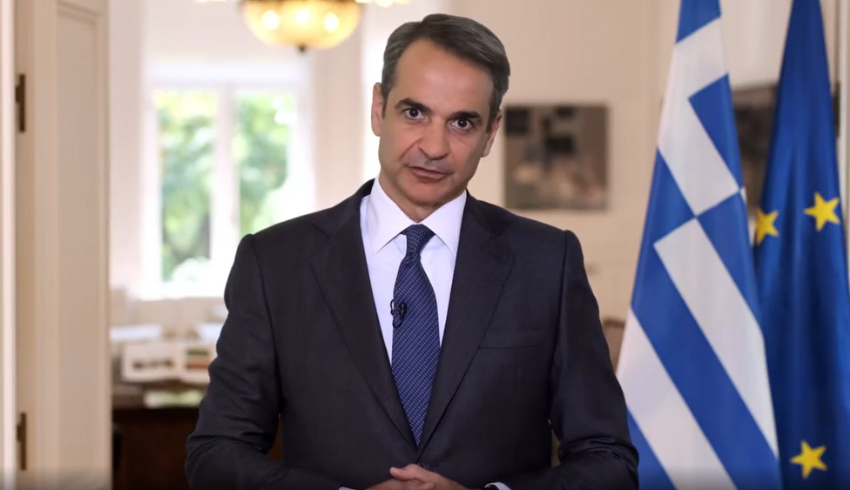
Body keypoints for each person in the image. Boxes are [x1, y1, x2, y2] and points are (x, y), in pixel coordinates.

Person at [185, 13, 638, 490]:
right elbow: (215, 455)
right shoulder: (275, 262)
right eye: (415, 113)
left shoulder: (547, 262)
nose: (434, 146)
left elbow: (609, 461)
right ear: (378, 109)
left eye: (462, 122)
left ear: (490, 134)